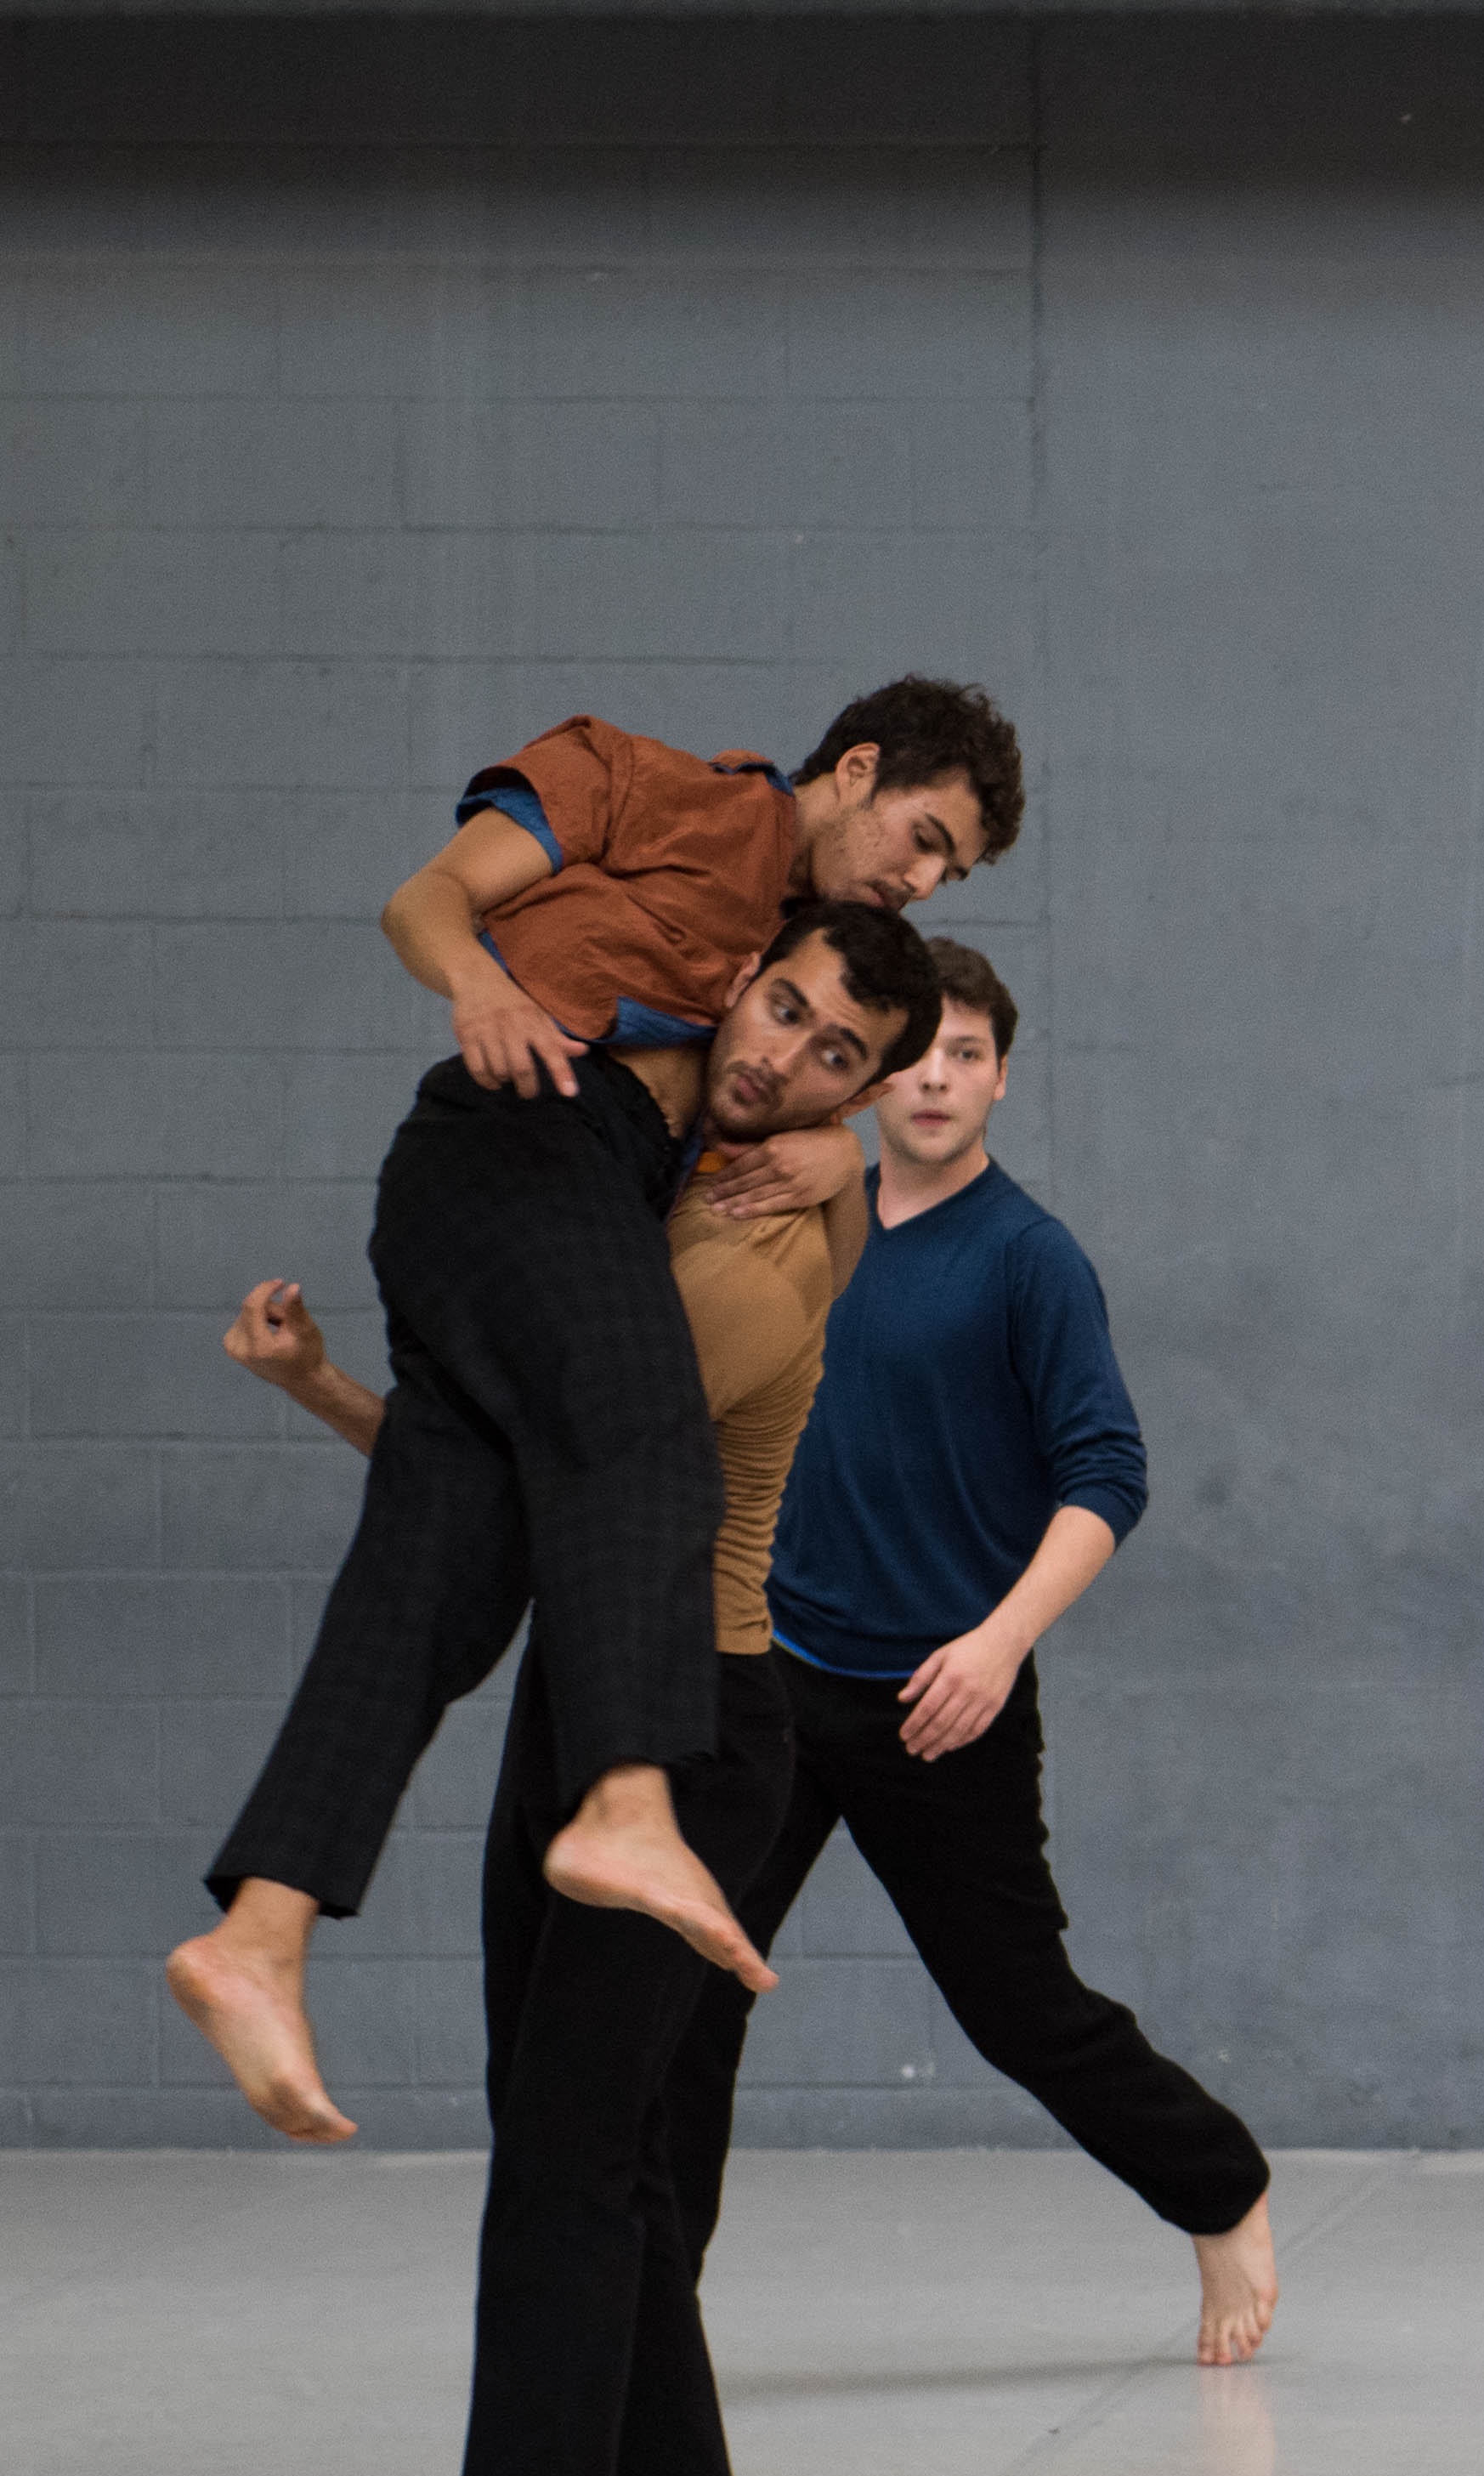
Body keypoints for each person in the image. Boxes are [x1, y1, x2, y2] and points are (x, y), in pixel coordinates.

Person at [218, 903, 945, 2476]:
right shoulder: (666, 1189)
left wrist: (838, 1172)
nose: (784, 1055)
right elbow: (508, 1465)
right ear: (737, 986)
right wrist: (324, 1385)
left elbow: (552, 1471)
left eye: (835, 1056)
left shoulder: (755, 1261)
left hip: (696, 1730)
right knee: (579, 2125)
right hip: (594, 1701)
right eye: (783, 1008)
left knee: (568, 2139)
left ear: (859, 1096)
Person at [167, 680, 1025, 2149]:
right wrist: (482, 988)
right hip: (529, 1136)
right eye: (926, 837)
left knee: (442, 1575)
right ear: (859, 769)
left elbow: (801, 1076)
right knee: (650, 1434)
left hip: (583, 1199)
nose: (926, 877)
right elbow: (426, 901)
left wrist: (840, 1154)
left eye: (954, 869)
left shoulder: (794, 952)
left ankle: (259, 1931)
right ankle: (628, 1809)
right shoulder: (653, 784)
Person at [652, 942, 1283, 2367]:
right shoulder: (806, 1210)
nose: (936, 1079)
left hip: (944, 1700)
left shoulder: (1027, 1258)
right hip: (775, 1673)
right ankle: (649, 2317)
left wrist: (998, 1645)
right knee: (687, 1991)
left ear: (1002, 1078)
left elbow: (1107, 1472)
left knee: (1019, 2010)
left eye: (969, 1056)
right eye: (917, 1053)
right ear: (871, 1076)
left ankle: (1219, 2186)